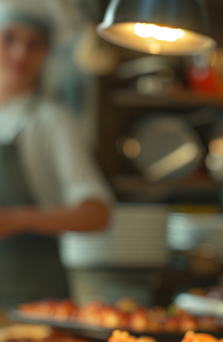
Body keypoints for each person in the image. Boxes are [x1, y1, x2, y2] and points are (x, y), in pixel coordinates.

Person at [0, 0, 113, 307]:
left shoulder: (52, 121)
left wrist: (18, 219)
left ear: (46, 52)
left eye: (33, 44)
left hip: (35, 302)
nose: (20, 54)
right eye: (9, 38)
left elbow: (97, 213)